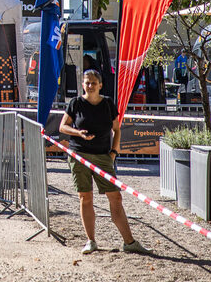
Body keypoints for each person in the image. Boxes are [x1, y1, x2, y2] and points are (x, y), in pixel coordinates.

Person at [58, 69, 152, 256]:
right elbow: (63, 126)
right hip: (79, 156)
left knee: (115, 197)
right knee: (86, 198)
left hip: (103, 157)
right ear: (82, 84)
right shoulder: (75, 103)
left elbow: (116, 130)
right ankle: (91, 241)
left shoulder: (108, 103)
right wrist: (78, 133)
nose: (90, 86)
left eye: (93, 82)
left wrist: (114, 153)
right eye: (87, 82)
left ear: (100, 85)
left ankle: (129, 241)